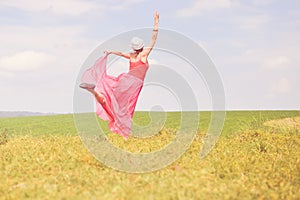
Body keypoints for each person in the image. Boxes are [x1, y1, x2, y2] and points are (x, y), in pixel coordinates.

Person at [80, 11, 159, 139]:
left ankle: (94, 91)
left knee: (112, 100)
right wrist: (156, 23)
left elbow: (121, 53)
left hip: (124, 80)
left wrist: (111, 52)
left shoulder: (131, 55)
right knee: (127, 108)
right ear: (141, 47)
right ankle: (124, 133)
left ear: (134, 48)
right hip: (134, 84)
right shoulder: (143, 55)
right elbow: (153, 39)